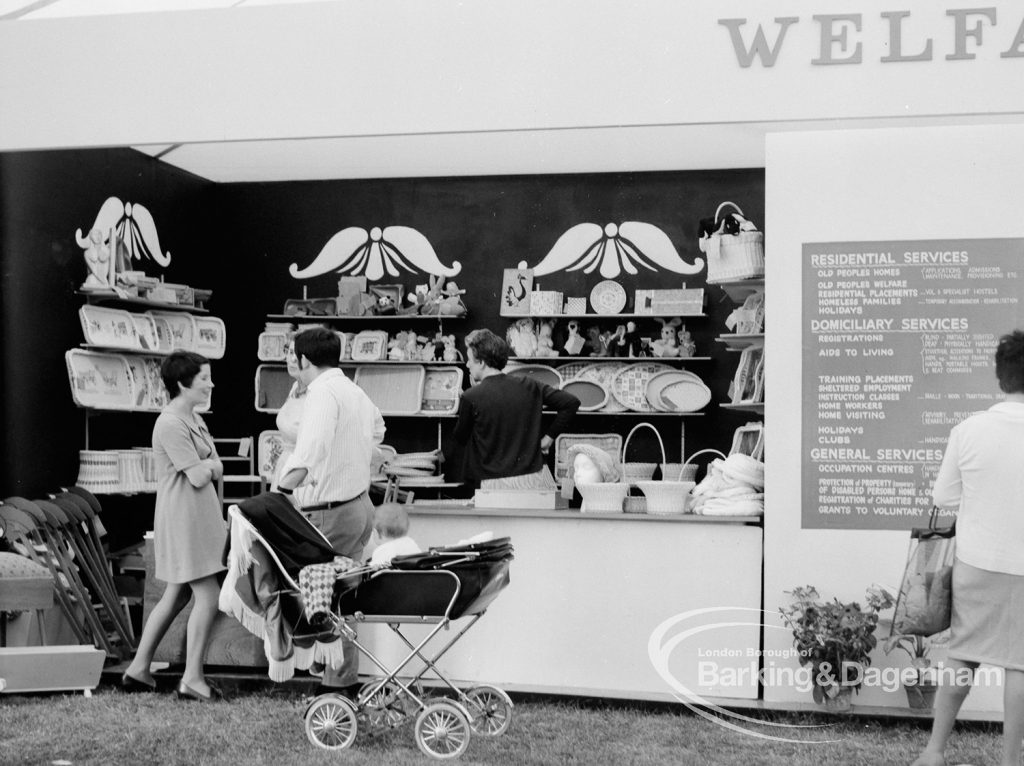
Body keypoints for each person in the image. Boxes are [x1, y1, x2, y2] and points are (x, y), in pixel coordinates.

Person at [911, 330, 1024, 766]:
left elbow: (944, 497)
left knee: (964, 652)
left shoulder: (968, 429)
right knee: (1019, 663)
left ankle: (935, 751)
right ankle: (1011, 761)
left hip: (977, 561)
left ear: (1000, 377)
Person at [275, 326, 386, 698]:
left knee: (322, 599)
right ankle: (338, 682)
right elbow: (378, 429)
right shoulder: (353, 389)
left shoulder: (322, 393)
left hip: (329, 510)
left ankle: (337, 686)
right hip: (358, 504)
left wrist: (280, 492)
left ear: (304, 359)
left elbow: (310, 452)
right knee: (340, 600)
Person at [121, 351, 226, 701]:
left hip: (198, 519)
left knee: (177, 593)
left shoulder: (193, 419)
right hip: (184, 520)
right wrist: (209, 466)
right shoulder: (169, 423)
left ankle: (139, 668)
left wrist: (209, 465)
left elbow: (212, 465)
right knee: (208, 596)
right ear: (183, 384)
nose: (210, 384)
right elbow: (200, 474)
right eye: (203, 379)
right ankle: (192, 677)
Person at [447, 328, 579, 488]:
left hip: (494, 482)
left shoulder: (471, 396)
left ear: (481, 362)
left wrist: (466, 400)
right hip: (534, 479)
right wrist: (547, 439)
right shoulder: (529, 384)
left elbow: (460, 437)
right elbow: (571, 402)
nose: (467, 364)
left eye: (469, 359)